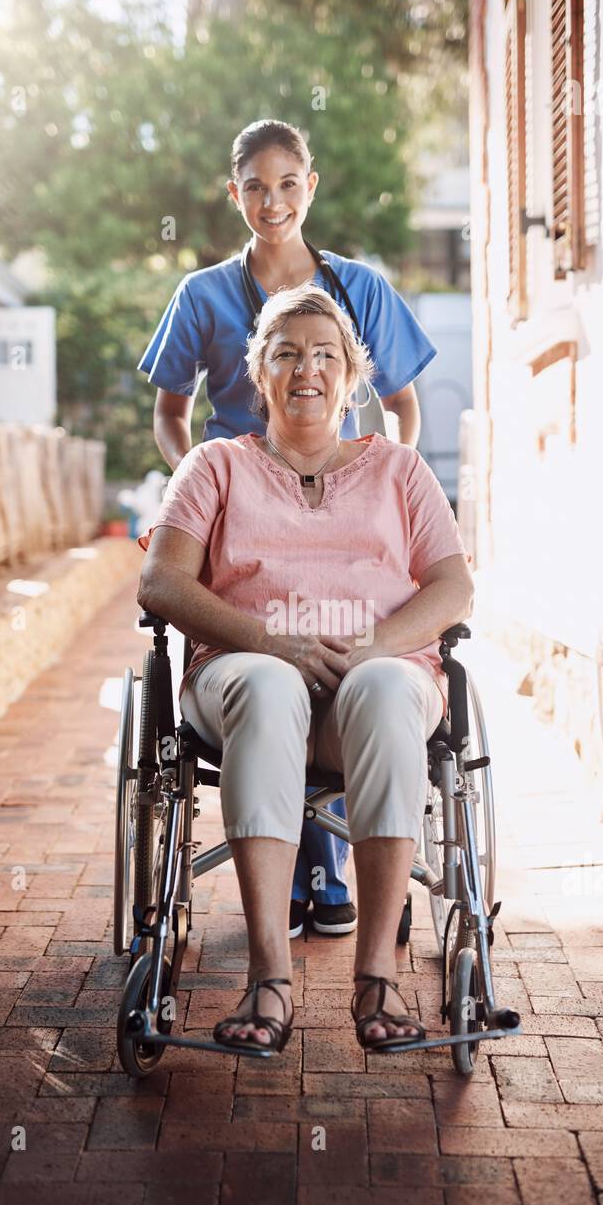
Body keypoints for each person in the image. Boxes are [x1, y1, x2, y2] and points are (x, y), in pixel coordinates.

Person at [136, 284, 473, 1051]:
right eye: (285, 354)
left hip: (374, 680)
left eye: (325, 355)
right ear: (259, 375)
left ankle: (376, 977)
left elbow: (453, 586)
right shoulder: (214, 465)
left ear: (352, 379)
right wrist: (268, 642)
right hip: (244, 678)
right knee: (268, 683)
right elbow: (161, 583)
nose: (306, 369)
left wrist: (378, 645)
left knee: (385, 687)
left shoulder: (400, 471)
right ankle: (269, 981)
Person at [137, 118, 437, 941]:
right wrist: (202, 494)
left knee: (345, 641)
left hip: (343, 499)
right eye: (255, 187)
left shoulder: (359, 288)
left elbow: (402, 407)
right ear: (233, 193)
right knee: (273, 656)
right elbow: (170, 414)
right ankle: (305, 881)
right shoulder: (201, 295)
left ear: (311, 187)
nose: (272, 202)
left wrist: (382, 492)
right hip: (239, 512)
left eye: (288, 184)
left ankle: (332, 872)